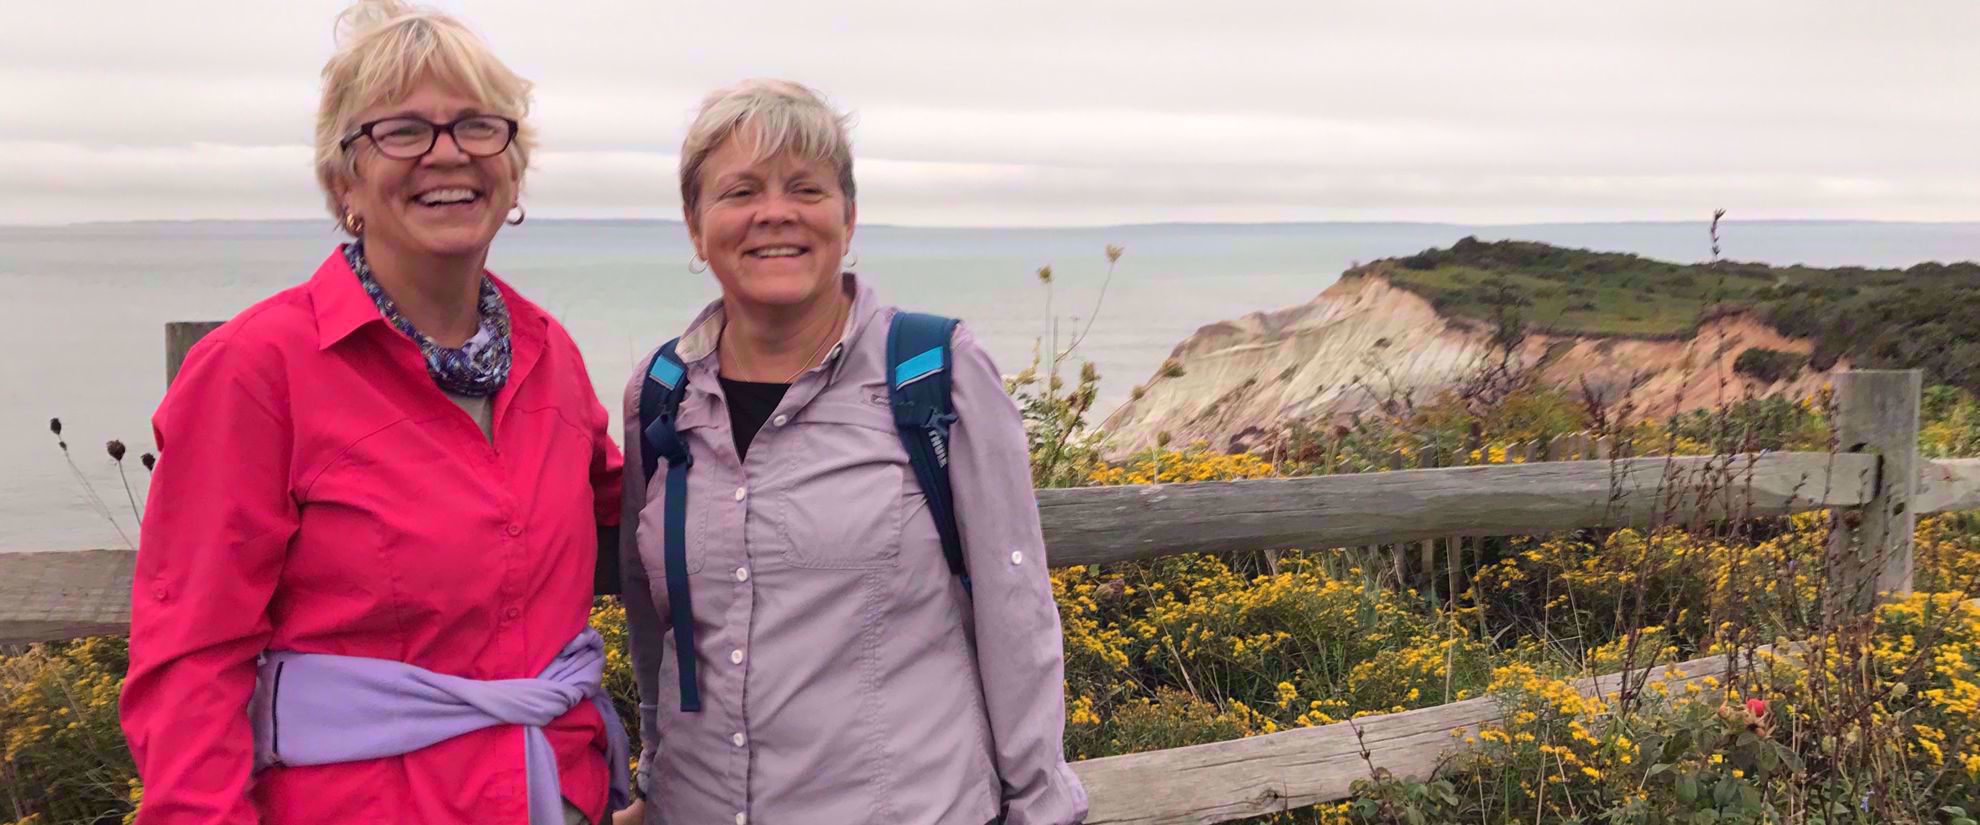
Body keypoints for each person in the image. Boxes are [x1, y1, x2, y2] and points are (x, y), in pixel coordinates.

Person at [119, 2, 627, 823]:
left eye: (476, 126)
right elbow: (190, 664)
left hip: (555, 793)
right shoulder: (257, 372)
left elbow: (640, 509)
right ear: (342, 178)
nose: (447, 153)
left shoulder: (550, 356)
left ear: (513, 168)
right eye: (402, 131)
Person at [615, 79, 1088, 825]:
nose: (775, 212)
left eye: (806, 187)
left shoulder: (938, 371)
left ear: (849, 215)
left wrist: (1039, 807)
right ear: (695, 225)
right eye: (740, 191)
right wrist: (652, 768)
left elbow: (1016, 612)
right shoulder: (661, 392)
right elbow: (653, 617)